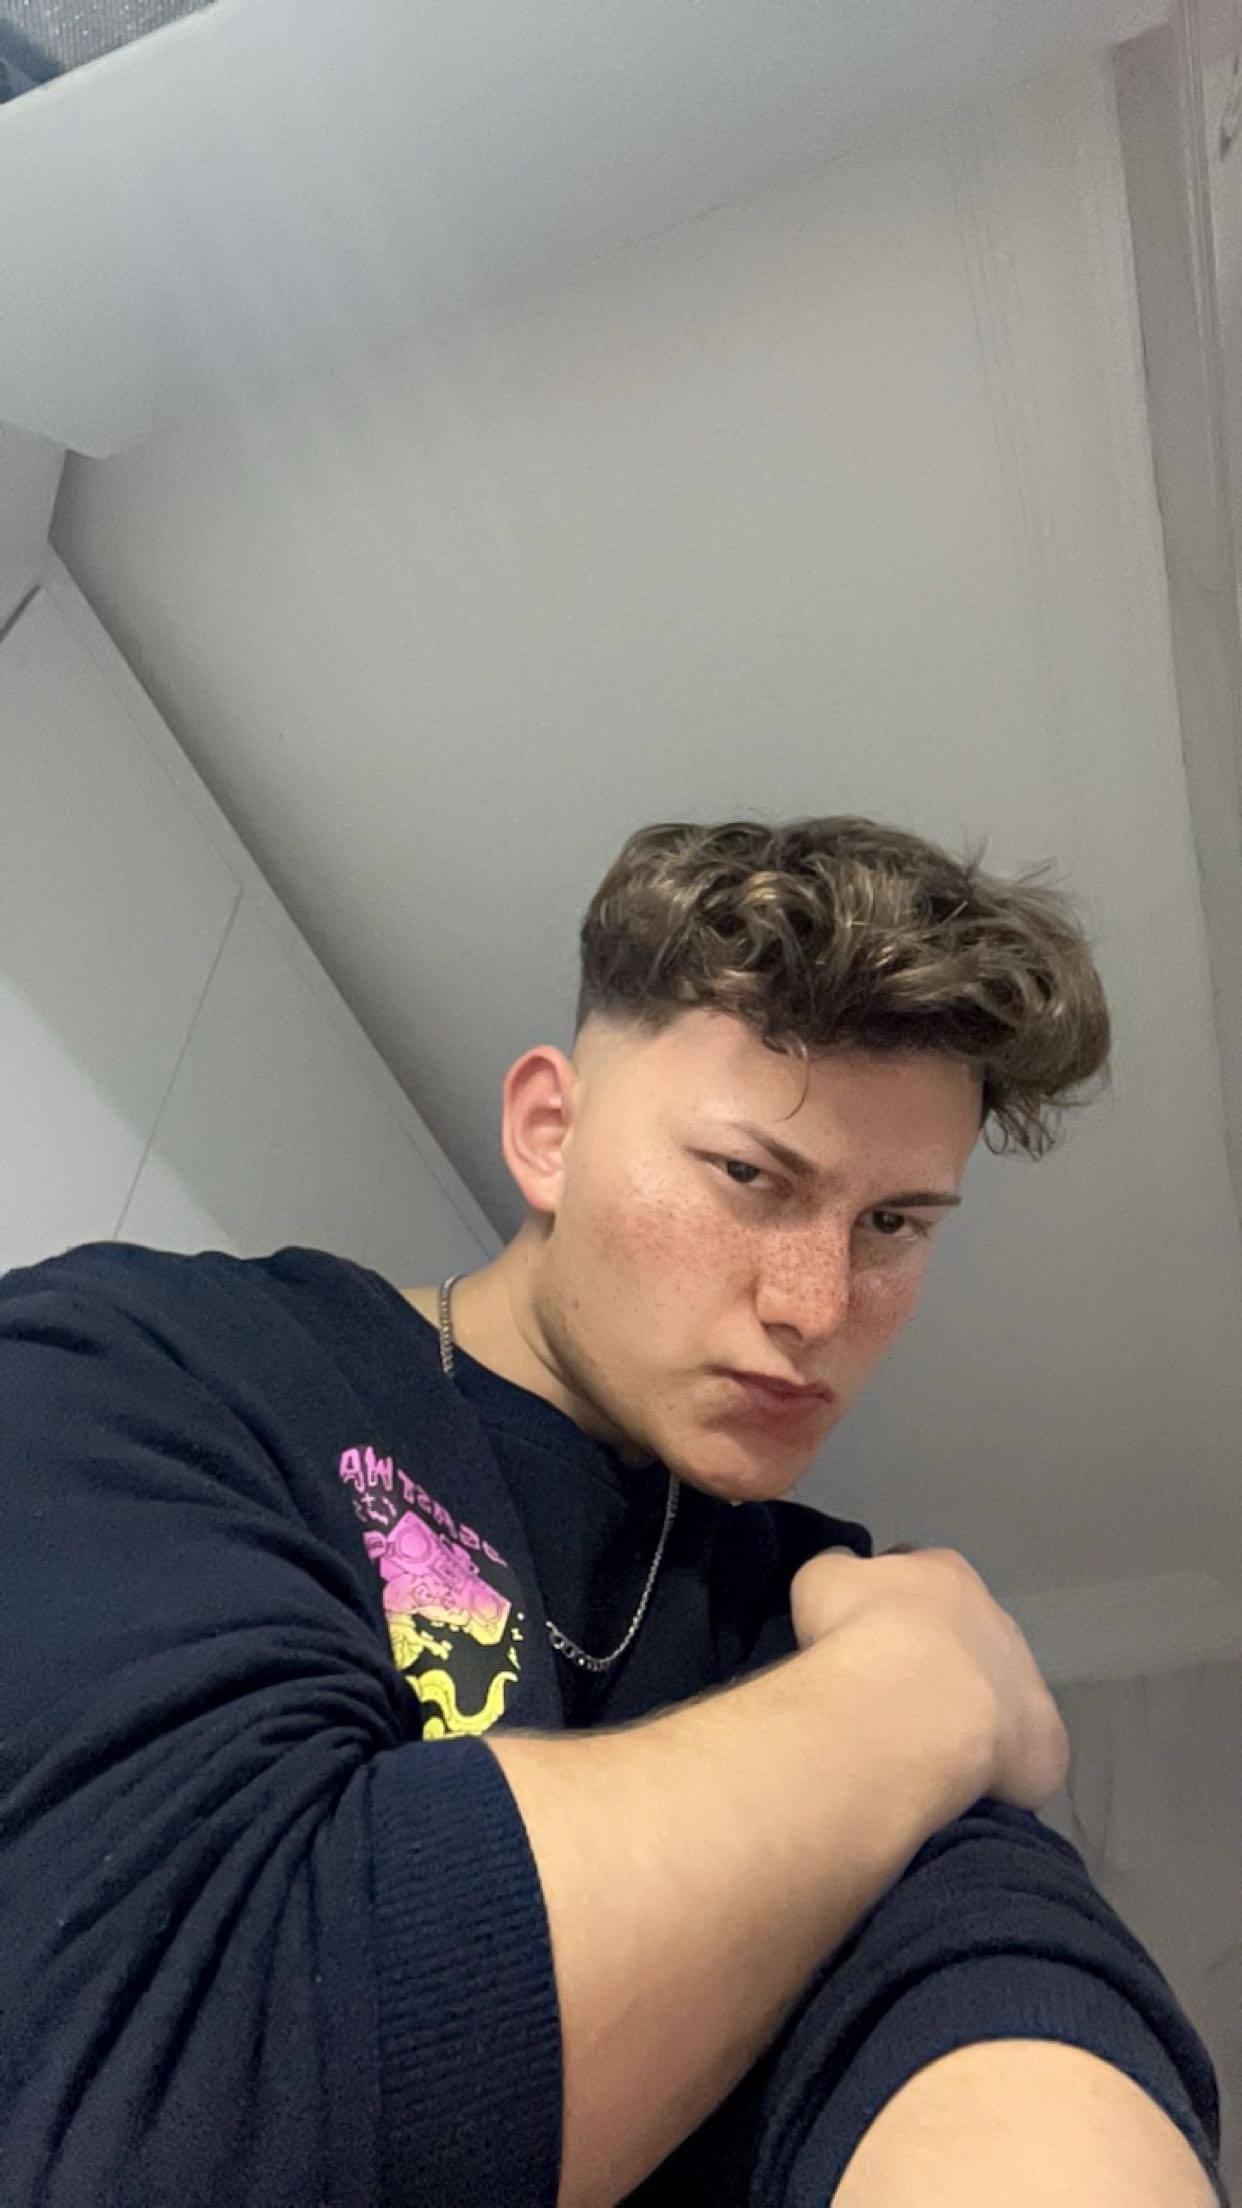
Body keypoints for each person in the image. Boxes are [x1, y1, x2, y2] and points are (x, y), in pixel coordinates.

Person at [0, 815, 1224, 2208]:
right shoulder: (147, 1358)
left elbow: (1001, 1987)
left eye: (892, 1224)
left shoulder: (807, 1606)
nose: (815, 1306)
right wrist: (909, 1699)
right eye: (749, 1178)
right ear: (550, 1133)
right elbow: (189, 2099)